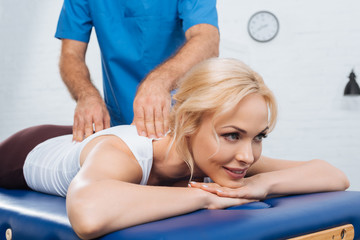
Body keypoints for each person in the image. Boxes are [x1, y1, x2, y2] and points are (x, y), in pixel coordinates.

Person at [0, 58, 349, 239]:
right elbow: (88, 216)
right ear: (188, 122)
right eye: (232, 135)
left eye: (259, 137)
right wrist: (206, 197)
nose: (247, 155)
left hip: (85, 145)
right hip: (25, 151)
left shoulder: (223, 159)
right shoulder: (125, 154)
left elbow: (332, 175)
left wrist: (260, 184)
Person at [55, 0, 220, 142]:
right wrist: (86, 95)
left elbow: (207, 40)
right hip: (121, 124)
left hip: (184, 120)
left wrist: (159, 82)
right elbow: (71, 55)